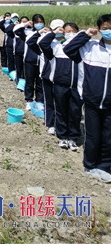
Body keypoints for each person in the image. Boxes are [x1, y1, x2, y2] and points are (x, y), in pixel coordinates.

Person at [63, 14, 111, 183]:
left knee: (108, 136)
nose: (108, 31)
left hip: (110, 104)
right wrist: (85, 35)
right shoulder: (90, 47)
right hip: (91, 100)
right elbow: (68, 49)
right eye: (105, 28)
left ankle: (104, 166)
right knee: (92, 135)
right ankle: (90, 165)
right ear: (99, 29)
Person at [38, 21, 81, 151]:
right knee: (61, 111)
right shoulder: (57, 46)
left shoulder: (82, 49)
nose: (70, 34)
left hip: (77, 86)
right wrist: (54, 32)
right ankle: (62, 136)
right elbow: (42, 44)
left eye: (73, 31)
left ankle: (73, 138)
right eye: (67, 31)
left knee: (75, 112)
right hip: (60, 85)